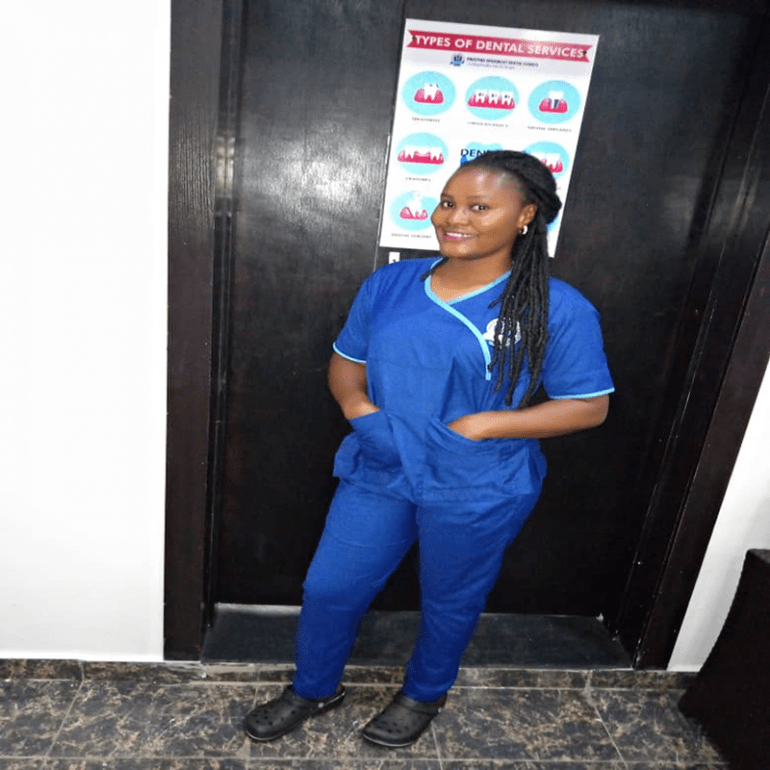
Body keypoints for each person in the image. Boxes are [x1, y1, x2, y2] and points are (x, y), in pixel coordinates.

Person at [243, 150, 614, 747]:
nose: (452, 218)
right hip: (383, 466)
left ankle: (424, 692)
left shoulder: (558, 306)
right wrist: (360, 412)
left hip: (477, 480)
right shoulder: (391, 285)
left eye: (478, 207)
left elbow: (588, 406)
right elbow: (346, 364)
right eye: (447, 202)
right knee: (331, 588)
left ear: (526, 216)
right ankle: (314, 687)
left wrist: (481, 426)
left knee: (450, 599)